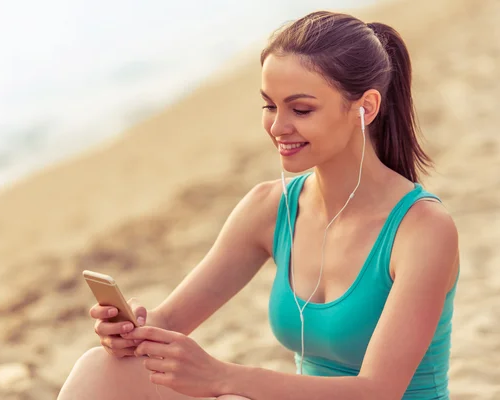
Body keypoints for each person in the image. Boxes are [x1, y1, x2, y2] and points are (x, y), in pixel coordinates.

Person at [58, 10, 459, 400]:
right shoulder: (270, 208)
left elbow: (378, 391)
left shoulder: (422, 229)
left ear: (365, 108)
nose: (277, 126)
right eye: (270, 105)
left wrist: (223, 377)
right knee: (101, 367)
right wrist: (129, 332)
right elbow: (169, 322)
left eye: (301, 109)